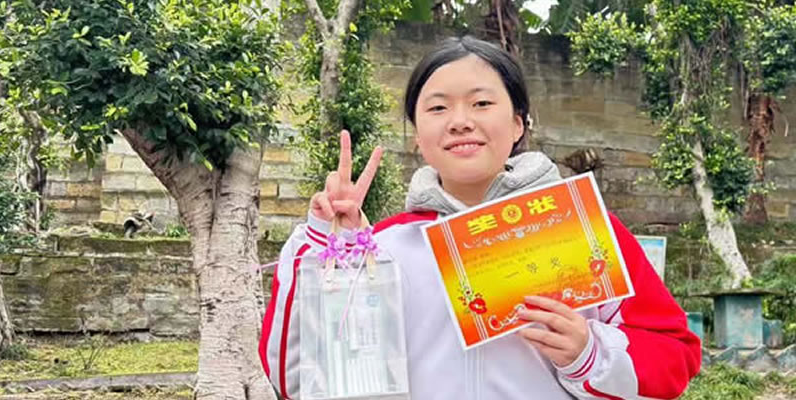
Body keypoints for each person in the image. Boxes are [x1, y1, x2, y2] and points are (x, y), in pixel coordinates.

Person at [260, 36, 701, 400]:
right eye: (437, 108)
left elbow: (674, 359)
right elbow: (297, 380)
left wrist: (588, 353)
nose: (460, 122)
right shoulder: (381, 250)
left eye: (482, 103)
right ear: (417, 137)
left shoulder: (584, 230)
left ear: (518, 124)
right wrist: (324, 242)